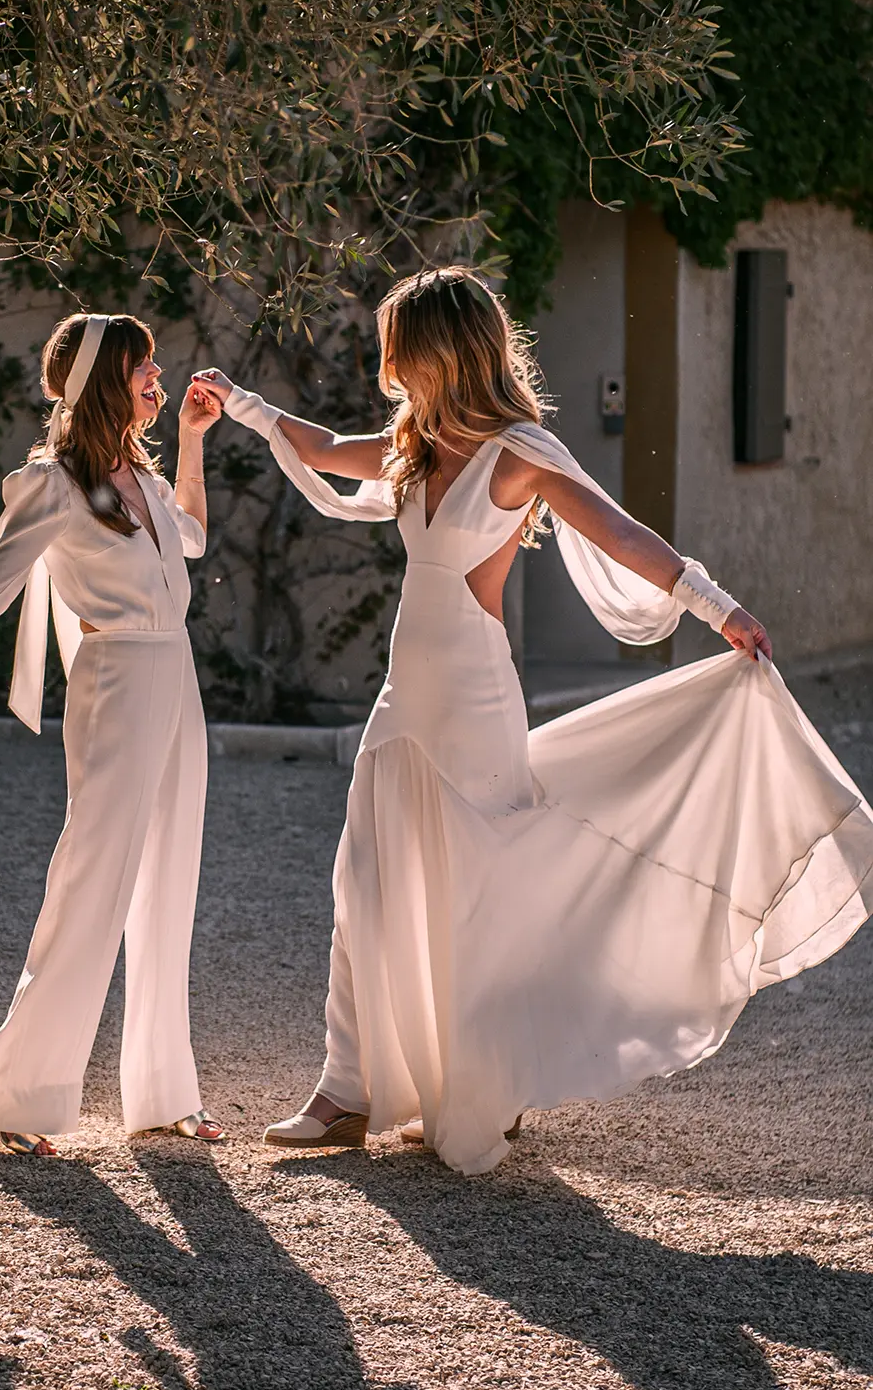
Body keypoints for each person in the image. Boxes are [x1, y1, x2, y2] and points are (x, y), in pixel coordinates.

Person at [194, 267, 873, 1174]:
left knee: (480, 888)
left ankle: (488, 1076)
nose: (384, 359)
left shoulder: (518, 452)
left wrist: (717, 608)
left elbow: (621, 533)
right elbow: (317, 446)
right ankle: (345, 1092)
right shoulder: (412, 445)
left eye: (397, 342)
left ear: (438, 349)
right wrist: (235, 401)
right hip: (405, 693)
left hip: (473, 694)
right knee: (363, 875)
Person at [0, 311, 225, 1156]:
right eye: (143, 370)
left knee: (170, 886)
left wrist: (196, 442)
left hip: (178, 682)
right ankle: (18, 1093)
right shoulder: (54, 485)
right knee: (90, 883)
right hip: (118, 684)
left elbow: (193, 541)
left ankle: (164, 1092)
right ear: (105, 379)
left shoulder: (140, 475)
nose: (158, 382)